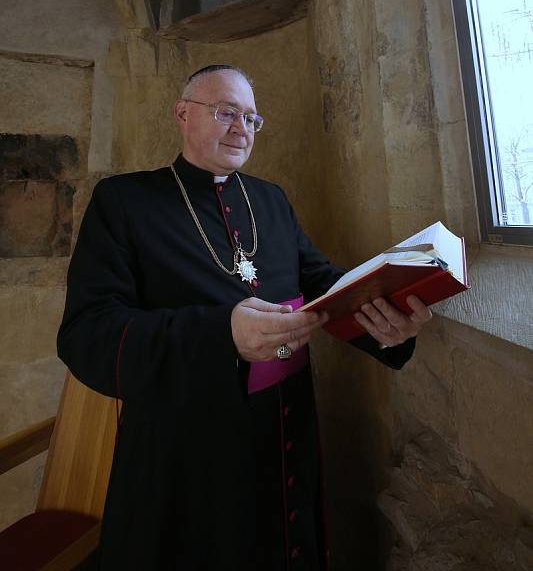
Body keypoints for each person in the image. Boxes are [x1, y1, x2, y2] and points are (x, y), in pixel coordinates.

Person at [58, 64, 431, 570]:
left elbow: (321, 280)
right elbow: (87, 334)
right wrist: (221, 336)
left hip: (284, 438)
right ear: (182, 114)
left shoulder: (270, 200)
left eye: (252, 118)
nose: (241, 128)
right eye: (226, 112)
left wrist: (385, 319)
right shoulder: (124, 202)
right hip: (186, 457)